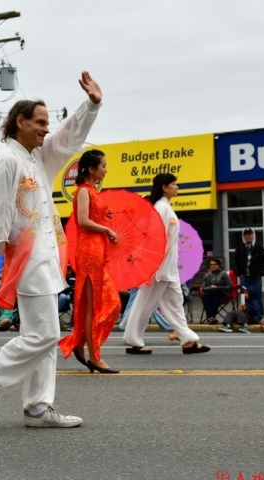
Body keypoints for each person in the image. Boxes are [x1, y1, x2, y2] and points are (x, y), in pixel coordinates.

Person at [0, 71, 103, 428]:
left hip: (47, 256)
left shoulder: (37, 157)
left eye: (47, 124)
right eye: (40, 122)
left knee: (44, 337)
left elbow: (68, 137)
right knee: (45, 335)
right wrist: (7, 248)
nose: (46, 129)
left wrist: (91, 106)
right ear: (20, 121)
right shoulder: (8, 159)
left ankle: (38, 408)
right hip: (27, 259)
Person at [122, 173, 210, 355]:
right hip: (158, 267)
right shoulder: (161, 208)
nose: (177, 187)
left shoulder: (166, 207)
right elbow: (153, 237)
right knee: (145, 303)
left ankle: (187, 341)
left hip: (169, 267)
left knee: (175, 303)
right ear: (164, 187)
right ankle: (133, 341)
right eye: (174, 184)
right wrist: (151, 265)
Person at [58, 149, 121, 374]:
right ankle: (94, 356)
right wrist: (106, 229)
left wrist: (106, 231)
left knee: (111, 303)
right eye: (103, 166)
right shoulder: (83, 191)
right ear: (92, 169)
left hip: (97, 250)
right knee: (92, 306)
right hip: (89, 251)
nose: (106, 170)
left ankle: (82, 343)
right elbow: (83, 221)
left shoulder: (93, 191)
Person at [232, 228, 264, 319]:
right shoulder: (239, 249)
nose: (248, 236)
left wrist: (260, 273)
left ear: (253, 235)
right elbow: (234, 262)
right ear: (244, 236)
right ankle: (244, 315)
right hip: (244, 277)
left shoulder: (259, 248)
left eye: (250, 234)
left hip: (255, 278)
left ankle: (259, 315)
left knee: (257, 296)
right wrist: (238, 273)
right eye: (246, 235)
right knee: (243, 296)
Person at [200, 257, 232, 324]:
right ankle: (212, 317)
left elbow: (229, 286)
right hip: (210, 292)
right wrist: (210, 287)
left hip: (221, 293)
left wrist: (218, 287)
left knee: (216, 296)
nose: (212, 266)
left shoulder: (223, 274)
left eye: (214, 264)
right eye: (211, 265)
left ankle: (211, 317)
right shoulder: (208, 275)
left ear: (219, 265)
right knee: (206, 297)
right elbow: (203, 287)